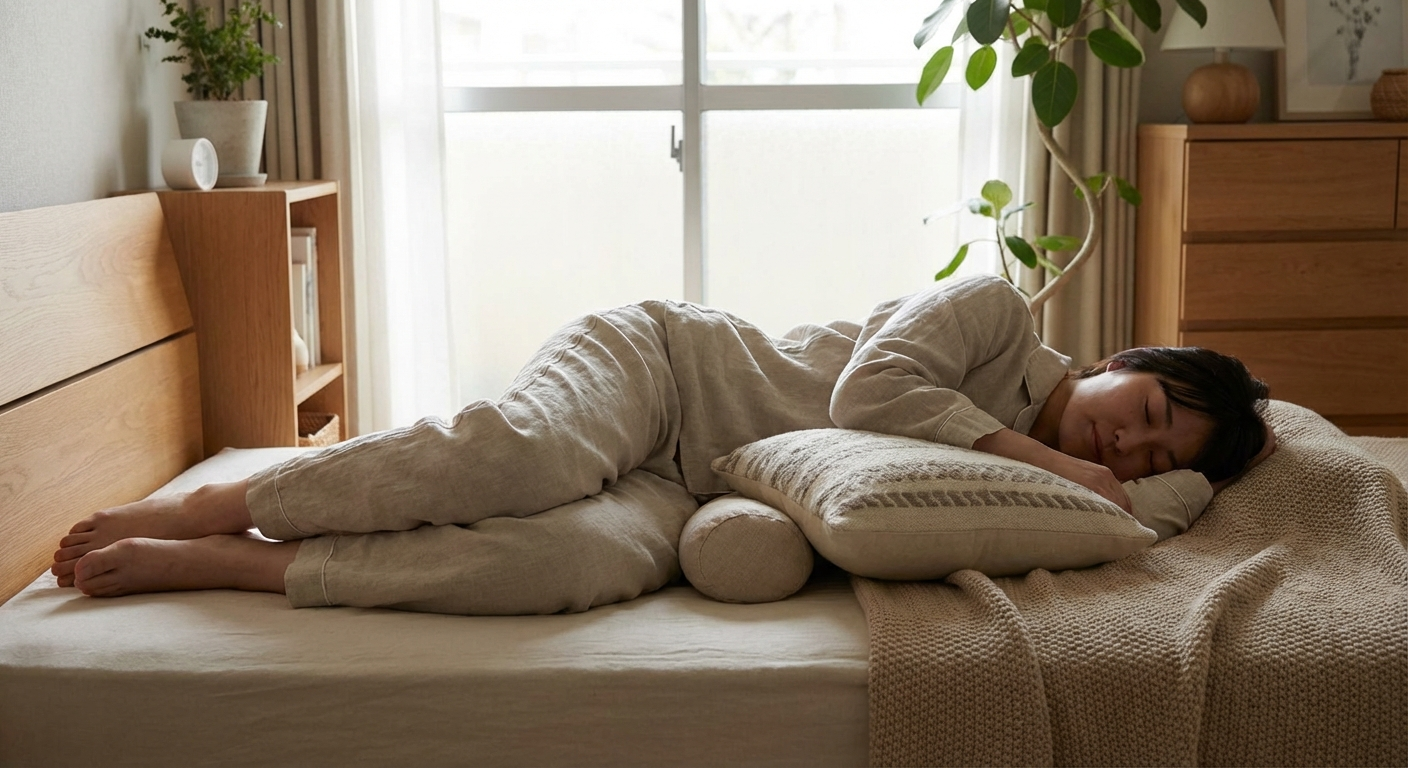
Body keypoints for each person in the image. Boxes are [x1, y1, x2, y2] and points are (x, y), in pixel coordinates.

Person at [50, 275, 1273, 614]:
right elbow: (868, 392)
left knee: (557, 571)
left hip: (685, 489)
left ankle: (253, 568)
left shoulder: (1041, 491)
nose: (1132, 449)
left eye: (1159, 459)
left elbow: (1155, 519)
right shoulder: (998, 313)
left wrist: (1138, 498)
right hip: (663, 371)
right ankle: (232, 502)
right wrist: (1056, 460)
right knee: (523, 459)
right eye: (1149, 412)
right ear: (1120, 362)